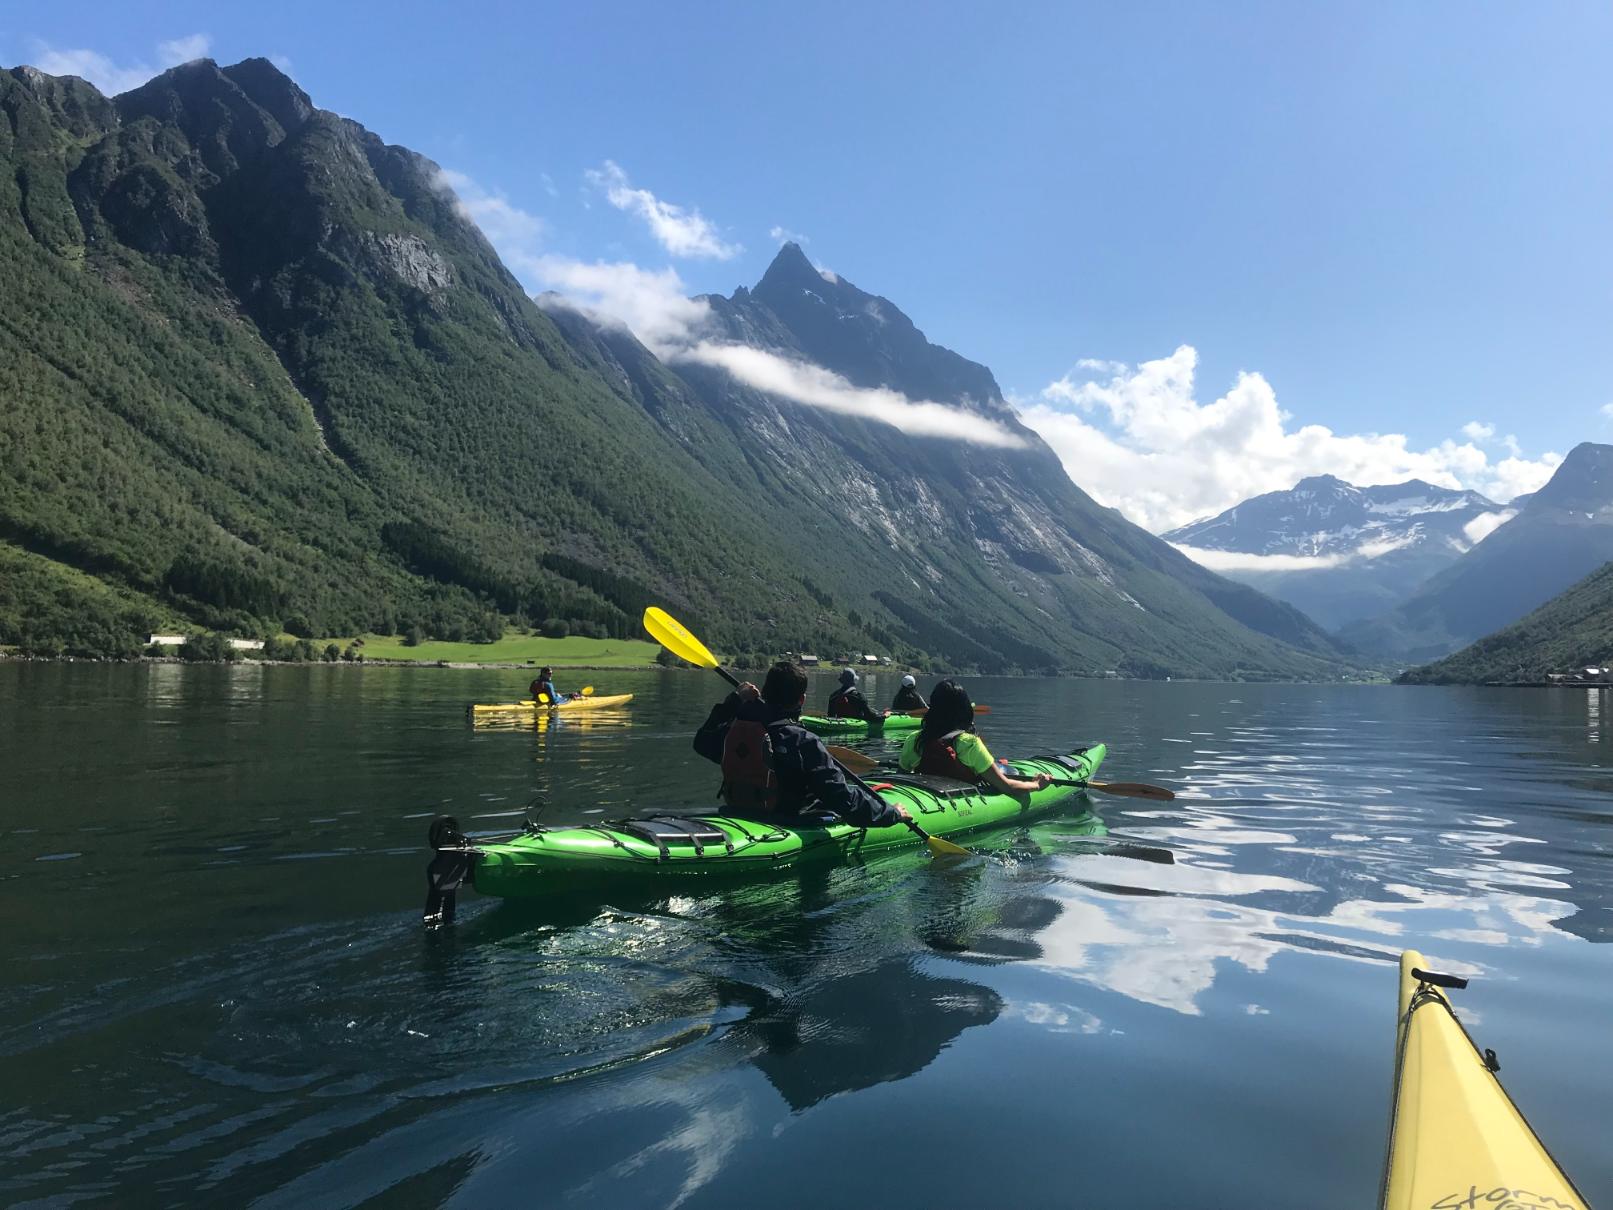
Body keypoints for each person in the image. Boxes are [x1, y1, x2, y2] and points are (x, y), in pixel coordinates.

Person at [694, 660, 911, 828]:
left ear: (764, 692)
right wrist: (891, 813)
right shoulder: (803, 741)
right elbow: (845, 802)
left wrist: (734, 700)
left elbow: (702, 742)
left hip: (737, 811)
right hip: (789, 822)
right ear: (801, 700)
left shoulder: (736, 732)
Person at [899, 680, 1051, 794]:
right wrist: (1037, 785)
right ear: (964, 710)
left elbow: (902, 777)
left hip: (927, 795)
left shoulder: (914, 739)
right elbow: (1007, 786)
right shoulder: (969, 743)